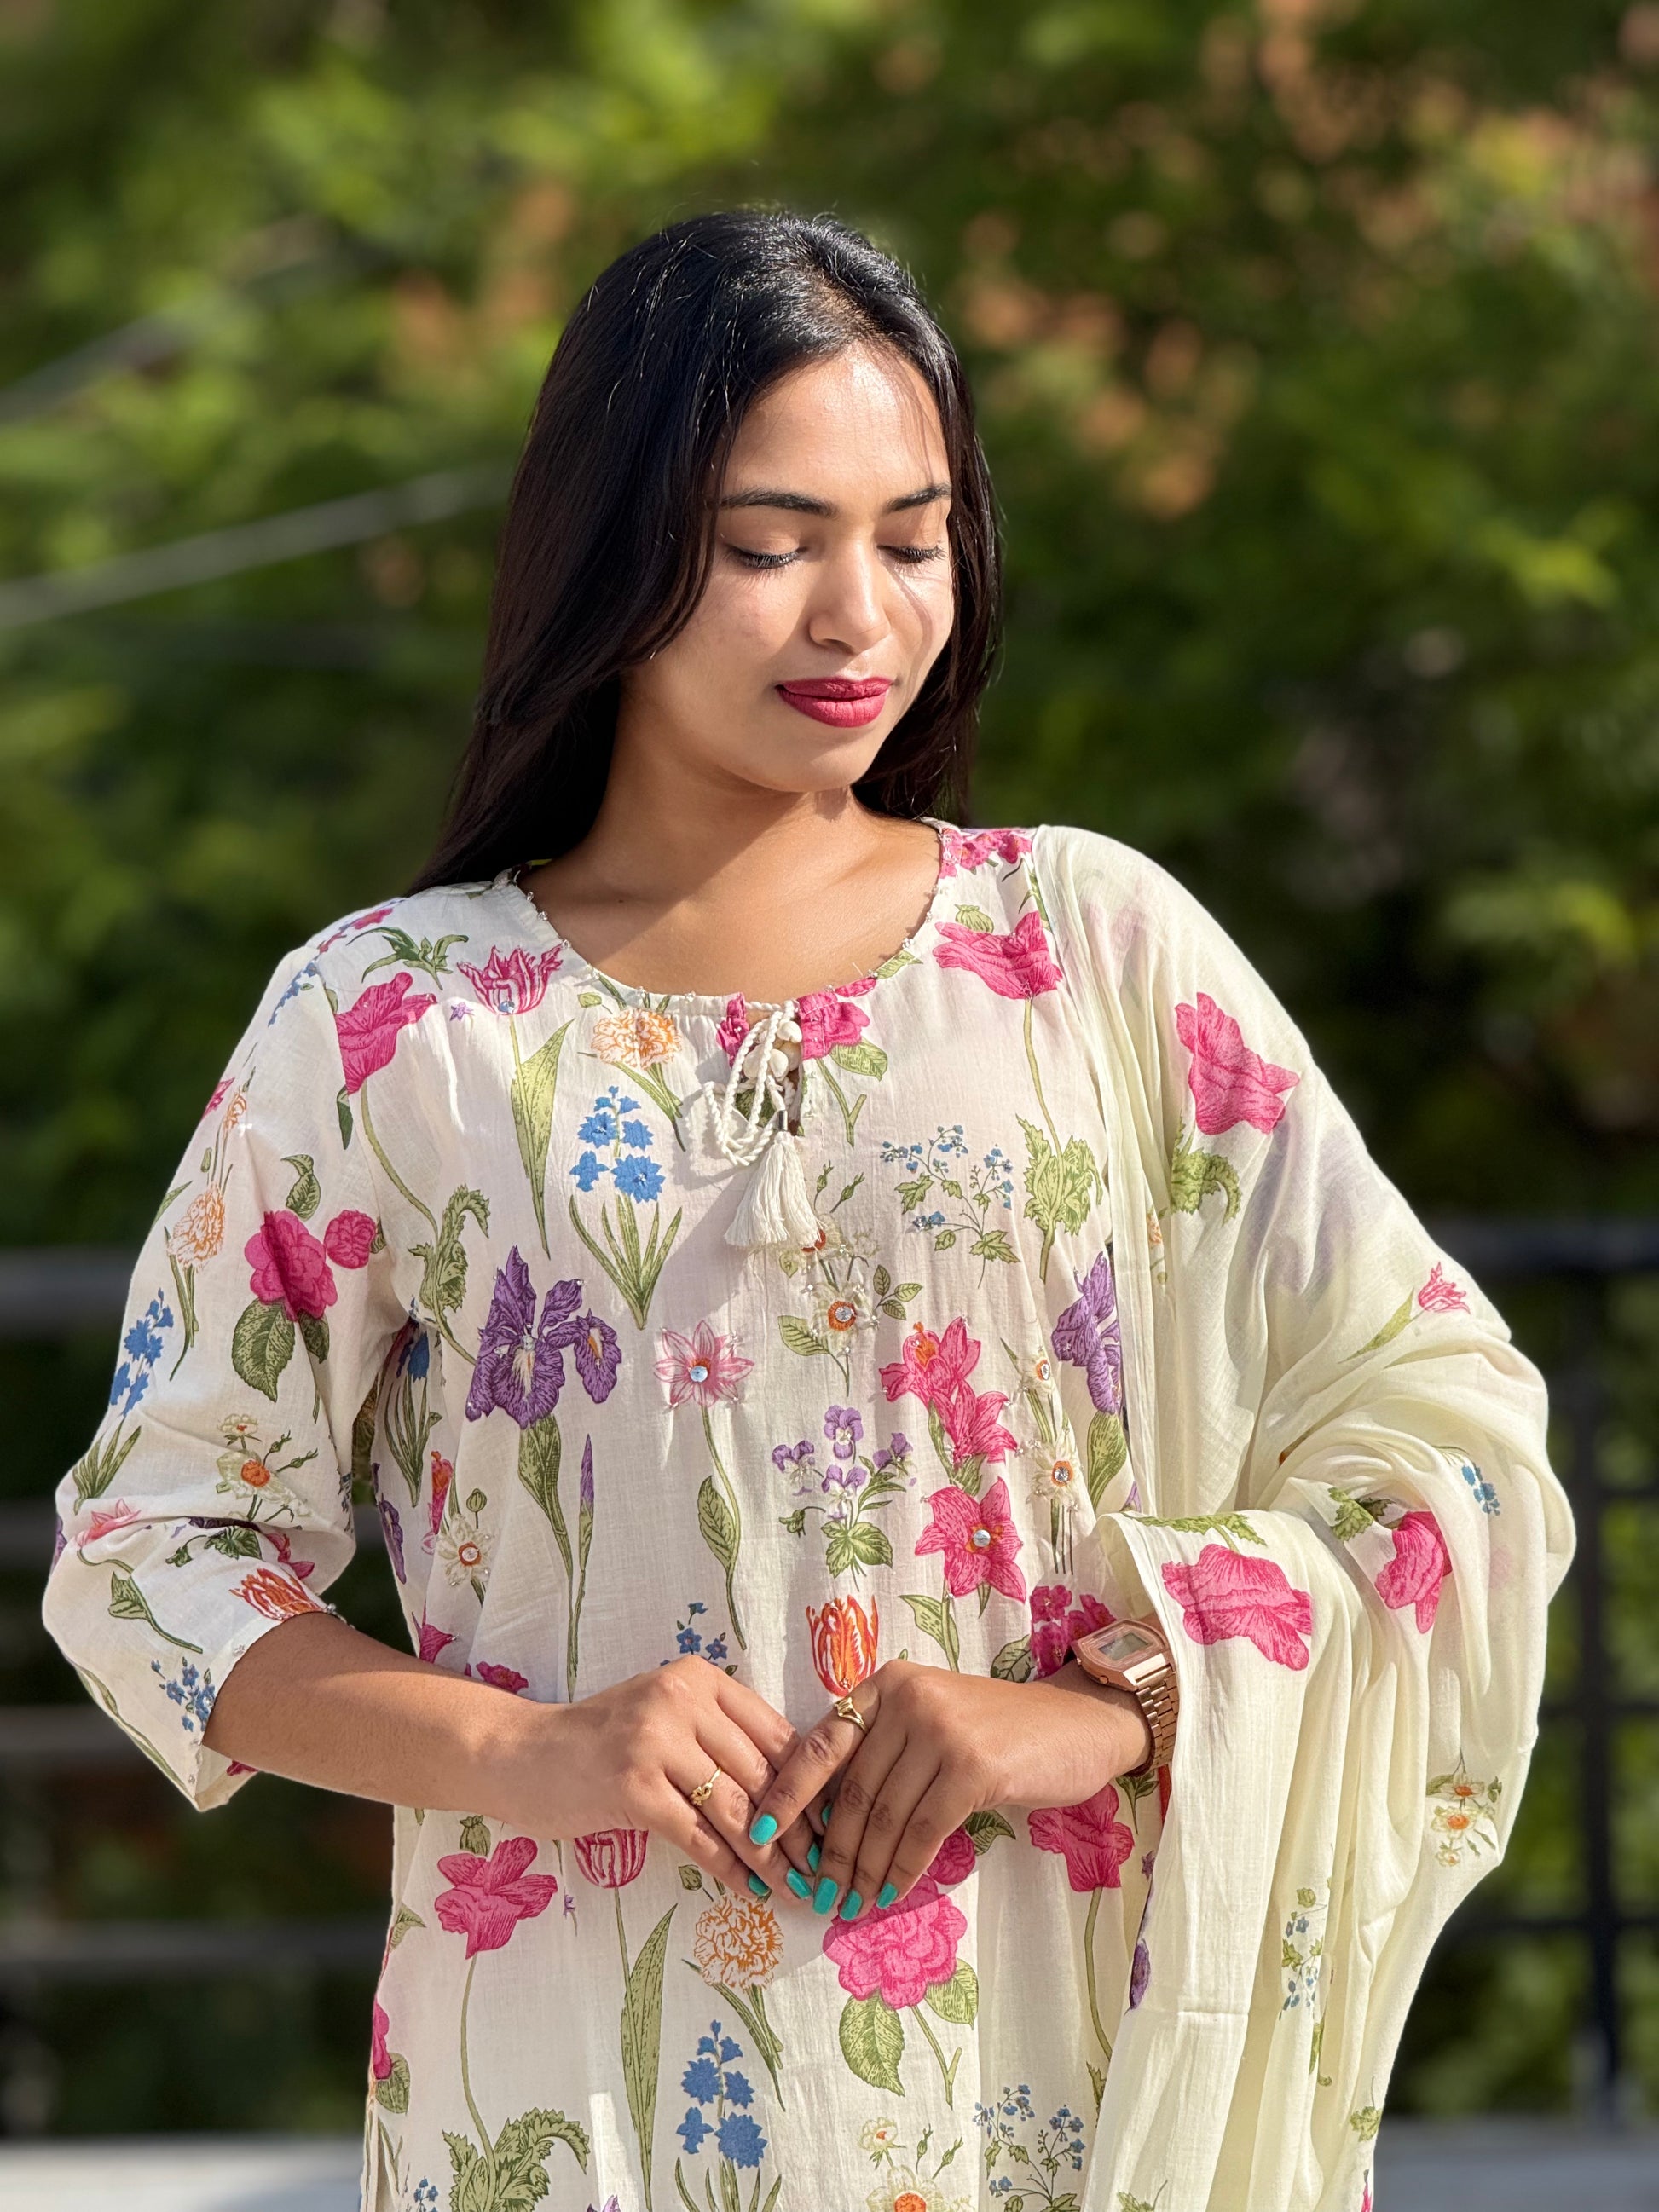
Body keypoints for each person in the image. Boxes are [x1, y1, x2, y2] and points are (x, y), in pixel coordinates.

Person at [43, 210, 1573, 2212]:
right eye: (771, 544)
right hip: (570, 2099)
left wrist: (1100, 1705)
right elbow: (152, 1555)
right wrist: (529, 1751)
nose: (857, 613)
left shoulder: (1090, 954)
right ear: (612, 555)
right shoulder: (395, 1020)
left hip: (1050, 2078)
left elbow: (1452, 1443)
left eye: (911, 539)